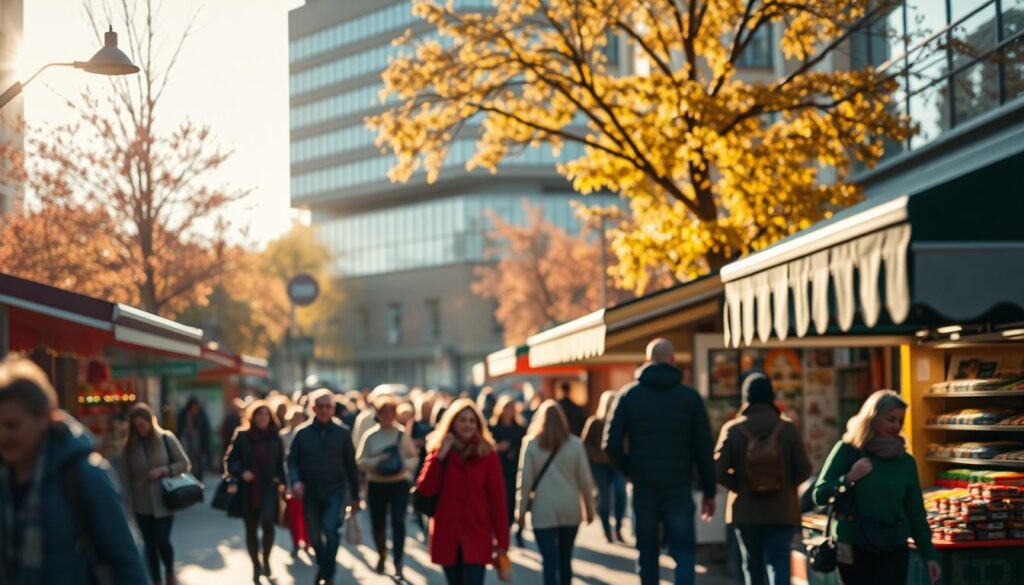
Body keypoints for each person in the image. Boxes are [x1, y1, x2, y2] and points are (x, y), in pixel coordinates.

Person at [0, 356, 148, 585]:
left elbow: (128, 564)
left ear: (44, 418)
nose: (3, 436)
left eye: (12, 426)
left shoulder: (86, 476)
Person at [604, 338, 716, 585]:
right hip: (678, 485)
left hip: (644, 485)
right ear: (673, 360)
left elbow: (610, 444)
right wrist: (709, 491)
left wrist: (631, 470)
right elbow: (703, 448)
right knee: (684, 550)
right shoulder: (690, 398)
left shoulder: (629, 395)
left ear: (647, 361)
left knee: (647, 551)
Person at [813, 390, 941, 585]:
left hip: (894, 547)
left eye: (900, 421)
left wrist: (929, 555)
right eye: (891, 419)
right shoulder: (848, 451)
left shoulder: (905, 462)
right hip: (853, 545)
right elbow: (819, 495)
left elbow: (915, 513)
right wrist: (848, 478)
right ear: (873, 418)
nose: (897, 426)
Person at [715, 374, 812, 585]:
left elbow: (719, 471)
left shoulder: (733, 429)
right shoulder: (787, 429)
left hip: (745, 510)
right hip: (781, 509)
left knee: (752, 564)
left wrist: (740, 485)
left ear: (745, 397)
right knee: (778, 562)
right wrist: (784, 485)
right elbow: (805, 469)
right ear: (771, 396)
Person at [416, 398, 509, 585]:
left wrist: (502, 542)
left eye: (472, 420)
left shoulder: (487, 454)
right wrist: (439, 457)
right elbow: (425, 489)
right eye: (462, 420)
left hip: (477, 531)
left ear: (478, 424)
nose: (468, 424)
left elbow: (498, 500)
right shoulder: (440, 451)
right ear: (452, 423)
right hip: (448, 532)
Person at [516, 401, 595, 585]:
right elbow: (585, 481)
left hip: (543, 509)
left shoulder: (531, 444)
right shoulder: (575, 444)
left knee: (549, 561)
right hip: (570, 508)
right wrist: (589, 510)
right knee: (565, 559)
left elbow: (524, 481)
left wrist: (519, 512)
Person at [288, 389, 362, 585]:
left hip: (335, 490)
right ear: (313, 408)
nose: (323, 410)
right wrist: (295, 481)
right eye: (319, 406)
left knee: (331, 529)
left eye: (327, 406)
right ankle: (324, 565)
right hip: (310, 492)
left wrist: (355, 496)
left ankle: (327, 573)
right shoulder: (302, 433)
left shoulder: (342, 433)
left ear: (333, 409)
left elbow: (351, 466)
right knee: (314, 534)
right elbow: (292, 461)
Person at [124, 403, 191, 585]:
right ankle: (156, 580)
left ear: (150, 422)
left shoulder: (166, 439)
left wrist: (164, 470)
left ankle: (169, 571)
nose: (140, 429)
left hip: (164, 500)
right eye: (136, 426)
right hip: (141, 503)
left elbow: (184, 463)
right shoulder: (130, 446)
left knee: (162, 540)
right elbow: (126, 477)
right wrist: (126, 507)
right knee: (149, 545)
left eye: (143, 424)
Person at [356, 395, 419, 578]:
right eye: (383, 413)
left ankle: (398, 560)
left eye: (391, 412)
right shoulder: (370, 435)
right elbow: (360, 460)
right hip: (377, 484)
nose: (387, 416)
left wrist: (403, 467)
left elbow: (413, 457)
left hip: (398, 484)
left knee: (398, 522)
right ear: (378, 414)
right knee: (378, 523)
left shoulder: (401, 433)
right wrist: (377, 461)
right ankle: (382, 553)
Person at [224, 400, 287, 583]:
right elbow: (230, 460)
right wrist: (242, 472)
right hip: (247, 489)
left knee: (268, 524)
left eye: (266, 415)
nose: (263, 418)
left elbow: (280, 462)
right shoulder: (242, 435)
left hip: (269, 488)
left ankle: (266, 559)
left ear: (270, 417)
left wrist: (283, 482)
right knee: (250, 529)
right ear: (253, 417)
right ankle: (255, 565)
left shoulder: (275, 436)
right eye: (259, 415)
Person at [582, 389, 627, 543]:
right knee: (604, 497)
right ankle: (607, 530)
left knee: (621, 493)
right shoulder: (595, 422)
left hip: (616, 465)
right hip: (599, 465)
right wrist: (596, 455)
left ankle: (619, 528)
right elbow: (585, 443)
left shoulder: (621, 421)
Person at [489, 394, 527, 537]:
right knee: (501, 500)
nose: (509, 411)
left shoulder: (520, 427)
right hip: (500, 468)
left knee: (514, 499)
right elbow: (488, 447)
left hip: (516, 468)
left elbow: (524, 446)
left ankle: (517, 528)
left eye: (511, 408)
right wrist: (498, 447)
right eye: (506, 408)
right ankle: (503, 528)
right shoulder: (493, 427)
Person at [280, 406, 311, 556]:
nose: (298, 420)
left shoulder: (308, 434)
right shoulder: (283, 436)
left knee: (307, 512)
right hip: (289, 478)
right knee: (293, 514)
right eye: (295, 417)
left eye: (301, 417)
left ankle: (307, 540)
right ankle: (295, 542)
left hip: (308, 478)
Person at [176, 395, 212, 481]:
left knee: (198, 465)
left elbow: (206, 433)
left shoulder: (202, 416)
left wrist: (205, 448)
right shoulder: (183, 414)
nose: (195, 409)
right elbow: (179, 430)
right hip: (185, 444)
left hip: (198, 446)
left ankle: (198, 482)